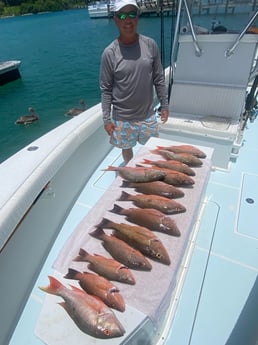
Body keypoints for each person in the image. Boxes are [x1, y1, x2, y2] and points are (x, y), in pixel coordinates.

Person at [100, 0, 169, 164]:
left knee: (153, 150)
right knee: (126, 149)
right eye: (122, 15)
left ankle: (149, 175)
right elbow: (106, 89)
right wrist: (106, 120)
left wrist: (164, 105)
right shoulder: (109, 53)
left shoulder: (150, 45)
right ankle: (131, 171)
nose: (128, 20)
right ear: (116, 19)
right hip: (122, 118)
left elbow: (159, 78)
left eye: (132, 14)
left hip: (148, 115)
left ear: (138, 17)